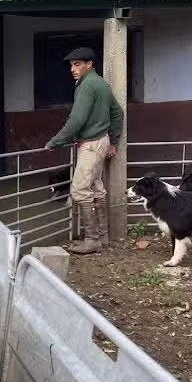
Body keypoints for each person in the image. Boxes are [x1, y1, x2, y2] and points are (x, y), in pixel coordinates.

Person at [44, 47, 124, 255]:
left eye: (77, 64)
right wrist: (112, 141)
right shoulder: (101, 84)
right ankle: (103, 237)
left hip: (90, 144)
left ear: (89, 64)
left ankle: (92, 239)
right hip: (102, 141)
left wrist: (55, 141)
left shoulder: (87, 86)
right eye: (71, 65)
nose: (73, 68)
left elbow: (77, 120)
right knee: (96, 189)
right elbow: (118, 113)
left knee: (79, 190)